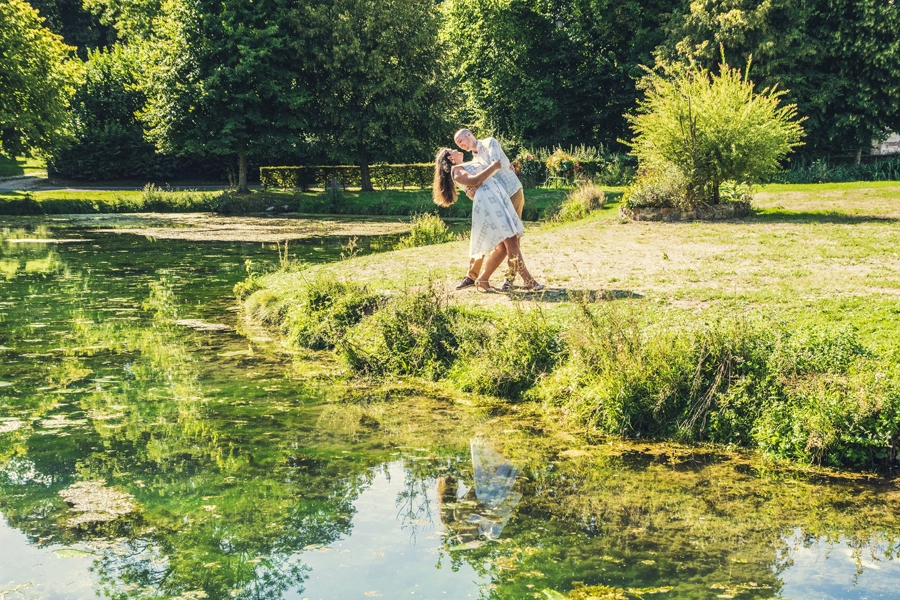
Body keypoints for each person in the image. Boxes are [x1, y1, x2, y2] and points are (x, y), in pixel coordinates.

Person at [433, 148, 543, 292]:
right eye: (451, 150)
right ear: (450, 159)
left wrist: (504, 166)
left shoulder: (466, 164)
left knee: (503, 248)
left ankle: (483, 280)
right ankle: (529, 281)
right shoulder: (456, 170)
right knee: (511, 241)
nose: (455, 149)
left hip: (496, 200)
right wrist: (494, 166)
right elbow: (475, 180)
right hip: (490, 205)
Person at [454, 130, 525, 291]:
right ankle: (472, 276)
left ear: (469, 135)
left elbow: (495, 165)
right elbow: (473, 185)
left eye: (460, 140)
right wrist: (471, 190)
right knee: (484, 235)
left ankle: (509, 278)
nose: (460, 144)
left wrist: (477, 182)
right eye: (457, 143)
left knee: (512, 238)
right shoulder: (473, 160)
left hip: (511, 192)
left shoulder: (489, 143)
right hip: (494, 201)